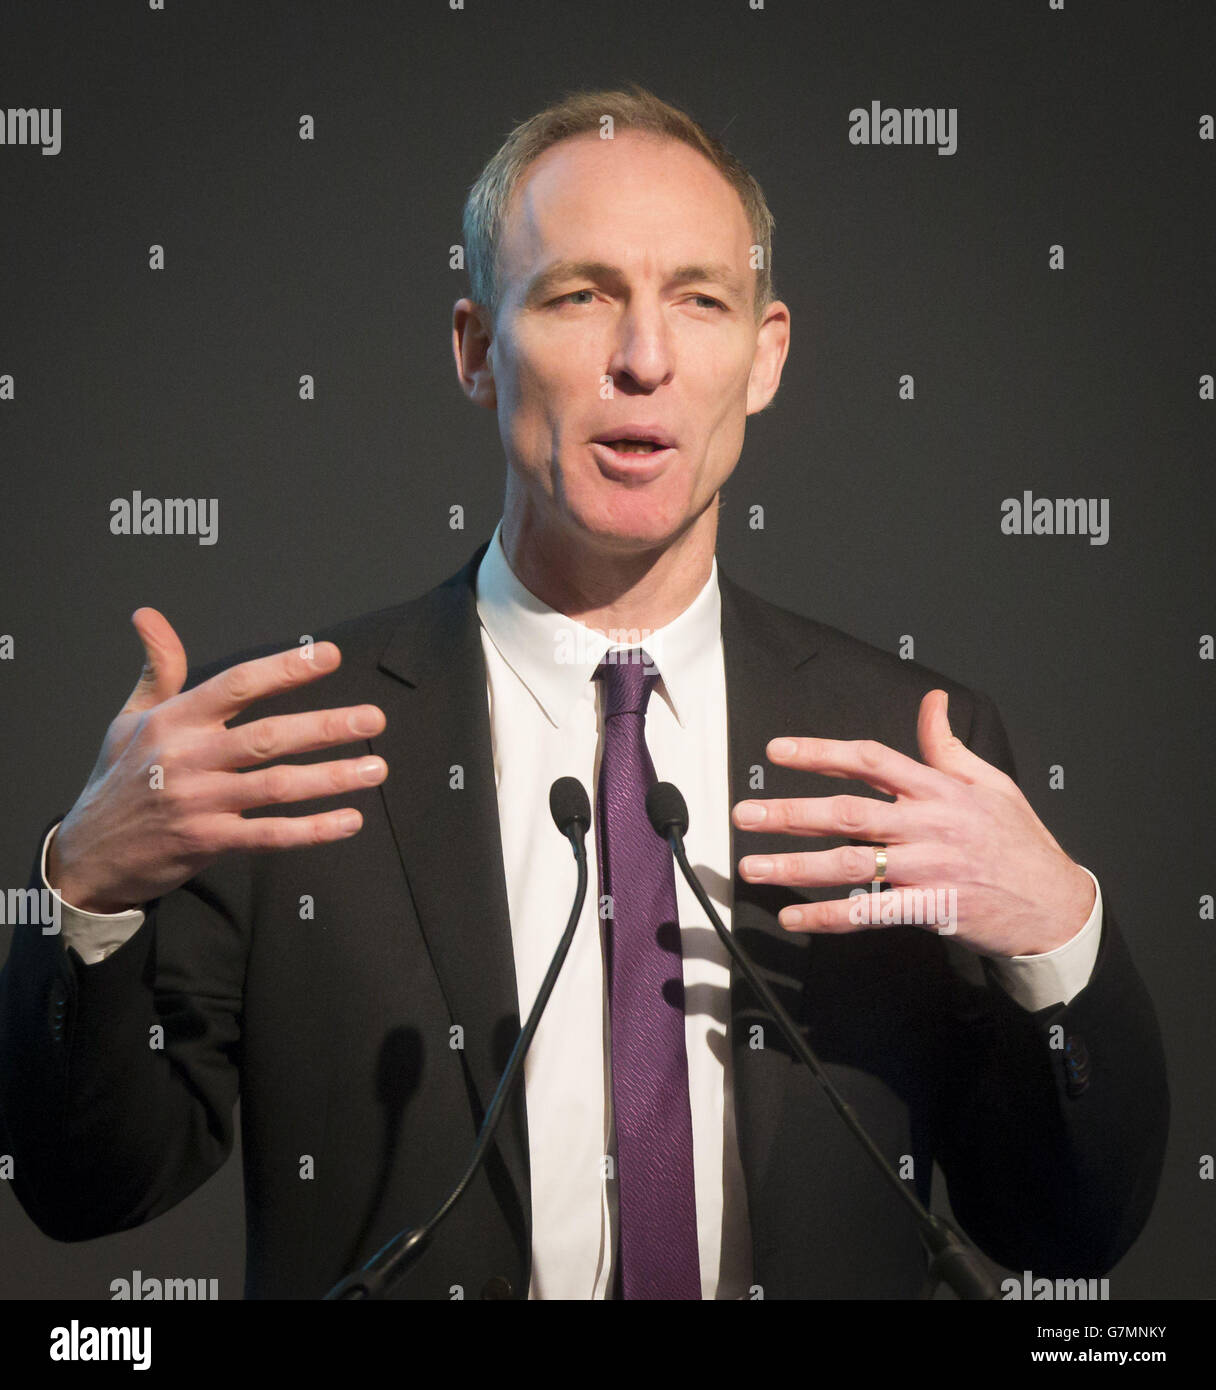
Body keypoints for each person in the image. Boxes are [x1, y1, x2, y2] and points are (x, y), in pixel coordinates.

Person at [0, 86, 1167, 1300]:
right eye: (579, 295)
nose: (644, 359)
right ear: (473, 347)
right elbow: (89, 1189)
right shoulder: (284, 751)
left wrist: (1059, 936)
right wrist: (81, 893)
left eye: (698, 300)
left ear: (765, 357)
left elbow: (1067, 1229)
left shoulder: (911, 748)